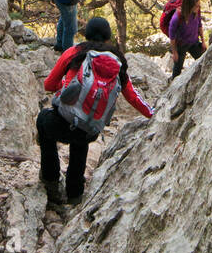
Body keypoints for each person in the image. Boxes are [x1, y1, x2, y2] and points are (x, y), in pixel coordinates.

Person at [37, 16, 154, 205]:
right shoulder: (117, 61)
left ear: (86, 34)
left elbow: (48, 85)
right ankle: (75, 193)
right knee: (82, 134)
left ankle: (51, 182)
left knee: (43, 120)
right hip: (90, 129)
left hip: (62, 122)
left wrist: (66, 87)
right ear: (108, 36)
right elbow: (132, 96)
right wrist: (153, 113)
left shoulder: (74, 53)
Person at [168, 0, 207, 79]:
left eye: (199, 5)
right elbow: (172, 37)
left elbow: (199, 25)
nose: (198, 8)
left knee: (204, 61)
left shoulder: (196, 12)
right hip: (181, 45)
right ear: (189, 6)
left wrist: (203, 41)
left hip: (194, 42)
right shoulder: (176, 18)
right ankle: (173, 83)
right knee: (177, 70)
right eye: (196, 6)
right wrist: (174, 52)